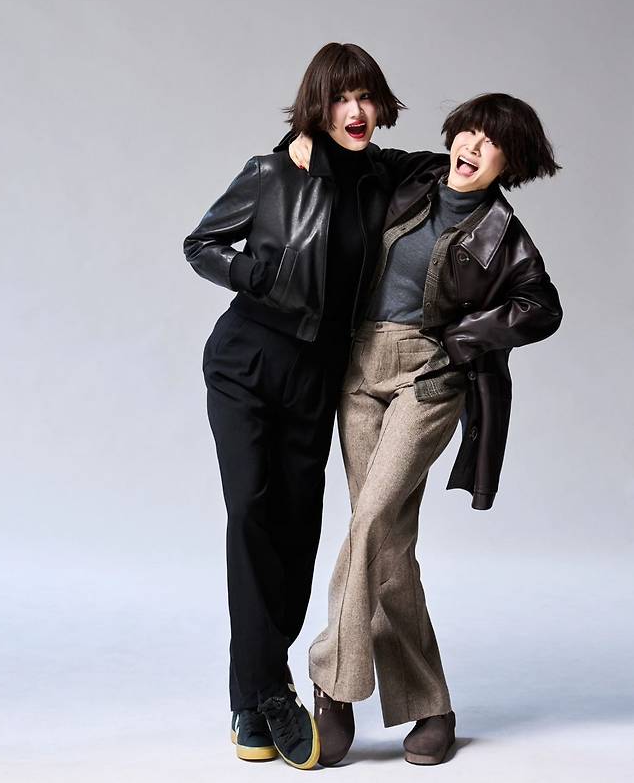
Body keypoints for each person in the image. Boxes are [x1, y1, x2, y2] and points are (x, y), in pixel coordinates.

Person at [183, 42, 442, 770]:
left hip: (317, 376)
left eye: (365, 97)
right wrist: (256, 275)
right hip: (247, 361)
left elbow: (451, 167)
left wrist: (486, 144)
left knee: (298, 531)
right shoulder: (272, 172)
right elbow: (201, 244)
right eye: (339, 99)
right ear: (316, 107)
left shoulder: (384, 177)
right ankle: (261, 695)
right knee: (251, 514)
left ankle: (265, 684)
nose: (354, 111)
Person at [288, 93, 563, 766]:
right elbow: (353, 158)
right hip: (358, 368)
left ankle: (333, 687)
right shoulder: (413, 175)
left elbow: (542, 307)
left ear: (510, 163)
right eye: (467, 132)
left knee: (370, 519)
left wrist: (462, 341)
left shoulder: (504, 234)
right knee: (389, 542)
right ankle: (431, 706)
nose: (472, 147)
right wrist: (300, 143)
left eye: (490, 143)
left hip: (428, 376)